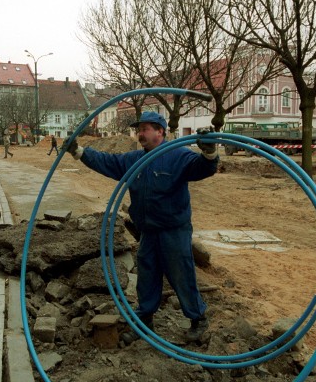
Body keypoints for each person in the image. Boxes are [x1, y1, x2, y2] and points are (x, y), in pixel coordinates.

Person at [65, 111, 219, 344]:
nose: (140, 133)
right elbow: (107, 161)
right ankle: (145, 321)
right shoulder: (134, 159)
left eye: (146, 128)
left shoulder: (177, 155)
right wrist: (79, 152)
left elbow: (202, 168)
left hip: (173, 230)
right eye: (139, 129)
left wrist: (209, 152)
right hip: (148, 230)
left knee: (180, 274)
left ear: (161, 131)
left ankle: (198, 319)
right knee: (146, 275)